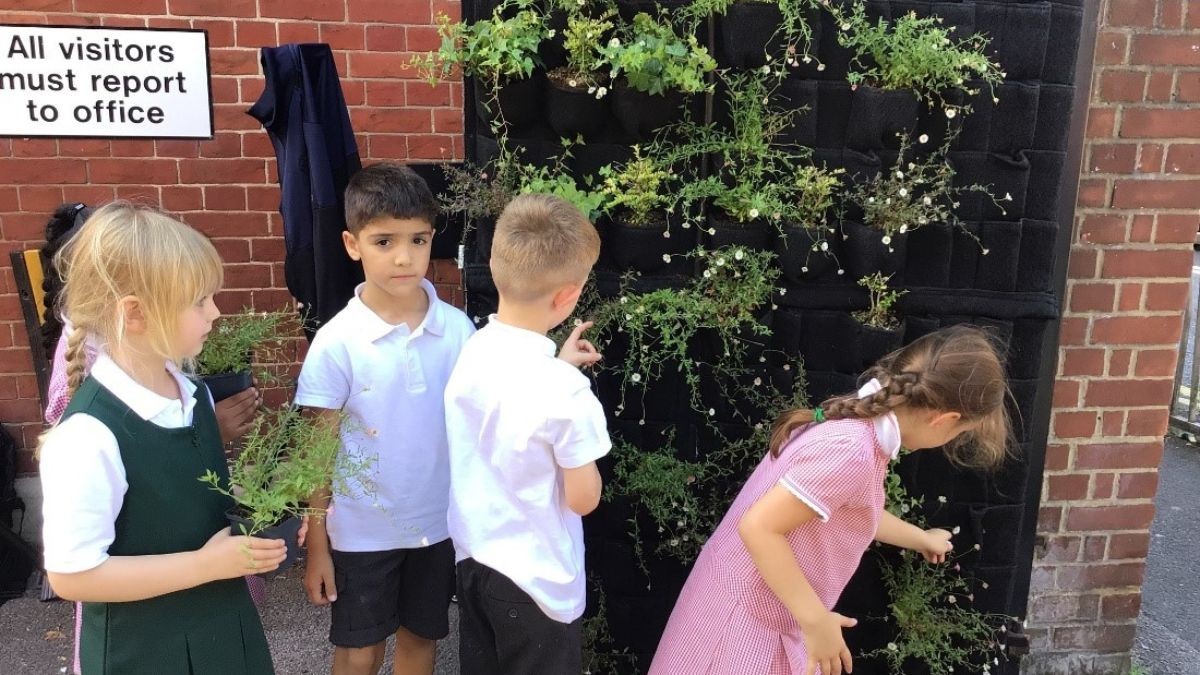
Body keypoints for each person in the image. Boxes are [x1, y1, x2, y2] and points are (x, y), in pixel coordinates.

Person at [649, 324, 1012, 675]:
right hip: (742, 628)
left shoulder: (861, 424)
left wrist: (920, 538)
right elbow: (758, 528)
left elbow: (853, 512)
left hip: (752, 608)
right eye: (961, 432)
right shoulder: (851, 452)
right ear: (944, 419)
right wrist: (816, 621)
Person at [38, 202, 282, 675]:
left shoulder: (193, 394)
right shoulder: (88, 435)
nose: (215, 312)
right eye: (199, 301)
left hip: (224, 631)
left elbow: (183, 500)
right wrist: (206, 565)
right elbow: (72, 575)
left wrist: (264, 512)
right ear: (135, 313)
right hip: (146, 653)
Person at [297, 163, 476, 675]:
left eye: (418, 239)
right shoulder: (337, 341)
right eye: (384, 242)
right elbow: (317, 450)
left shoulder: (458, 330)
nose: (404, 257)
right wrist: (318, 544)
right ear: (352, 244)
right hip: (362, 532)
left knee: (421, 640)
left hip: (436, 525)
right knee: (359, 652)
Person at [445, 193, 609, 674]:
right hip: (537, 581)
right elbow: (583, 499)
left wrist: (559, 366)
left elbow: (509, 404)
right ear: (568, 296)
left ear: (496, 265)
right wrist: (564, 379)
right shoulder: (566, 393)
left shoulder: (474, 347)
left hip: (475, 560)